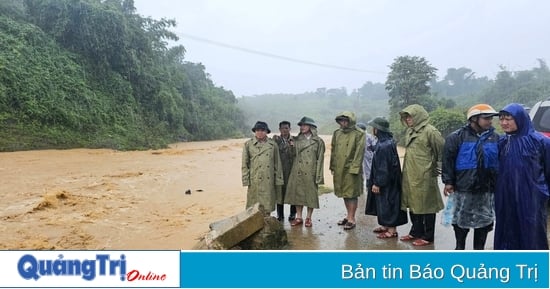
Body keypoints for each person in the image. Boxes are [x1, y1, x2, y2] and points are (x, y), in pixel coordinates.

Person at [442, 104, 499, 250]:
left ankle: (478, 251)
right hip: (464, 187)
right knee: (461, 219)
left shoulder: (495, 138)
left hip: (486, 189)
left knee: (484, 221)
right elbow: (448, 160)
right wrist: (448, 182)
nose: (490, 121)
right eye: (486, 118)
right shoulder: (456, 137)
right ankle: (459, 248)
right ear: (474, 119)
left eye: (491, 118)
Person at [494, 103, 550, 250]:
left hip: (532, 196)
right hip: (506, 195)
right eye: (501, 119)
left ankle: (534, 266)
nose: (504, 123)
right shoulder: (502, 142)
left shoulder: (541, 141)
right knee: (507, 229)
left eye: (508, 119)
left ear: (520, 119)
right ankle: (508, 266)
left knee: (532, 231)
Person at [399, 104, 445, 246]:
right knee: (413, 204)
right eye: (406, 117)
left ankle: (428, 236)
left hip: (425, 175)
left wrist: (438, 169)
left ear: (418, 116)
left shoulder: (431, 131)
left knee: (427, 205)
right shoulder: (410, 132)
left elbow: (442, 151)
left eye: (410, 116)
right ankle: (415, 232)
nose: (408, 119)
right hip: (410, 174)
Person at [365, 117, 408, 238]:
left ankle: (392, 230)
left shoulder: (384, 146)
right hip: (390, 180)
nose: (373, 130)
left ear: (378, 129)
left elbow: (383, 167)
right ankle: (385, 225)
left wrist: (377, 183)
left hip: (387, 182)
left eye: (374, 127)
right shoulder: (386, 142)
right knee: (383, 203)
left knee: (388, 203)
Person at [285, 117, 325, 227]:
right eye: (301, 125)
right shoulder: (296, 139)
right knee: (298, 194)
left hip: (311, 170)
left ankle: (309, 217)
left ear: (311, 127)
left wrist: (319, 175)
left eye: (304, 125)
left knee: (310, 195)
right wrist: (291, 147)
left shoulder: (318, 141)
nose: (302, 127)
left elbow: (320, 159)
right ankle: (299, 217)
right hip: (297, 170)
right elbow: (291, 155)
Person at [330, 111, 366, 230]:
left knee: (352, 194)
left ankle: (352, 219)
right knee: (344, 193)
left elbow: (359, 152)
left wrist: (354, 168)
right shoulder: (337, 133)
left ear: (351, 121)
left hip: (351, 169)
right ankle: (348, 215)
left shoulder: (359, 133)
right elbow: (333, 151)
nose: (343, 123)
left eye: (346, 120)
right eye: (341, 120)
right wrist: (332, 166)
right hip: (339, 167)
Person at [242, 121, 284, 214]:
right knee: (253, 207)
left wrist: (279, 180)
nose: (260, 132)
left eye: (262, 130)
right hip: (254, 179)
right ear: (254, 131)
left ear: (266, 132)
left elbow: (278, 164)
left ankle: (267, 223)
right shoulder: (248, 145)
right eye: (257, 130)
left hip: (268, 180)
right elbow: (245, 164)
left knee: (267, 205)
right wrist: (246, 180)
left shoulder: (273, 145)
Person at [272, 121, 297, 221]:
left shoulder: (295, 140)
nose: (284, 130)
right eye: (282, 128)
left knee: (293, 193)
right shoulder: (276, 140)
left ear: (290, 129)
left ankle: (292, 214)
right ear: (279, 130)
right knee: (279, 193)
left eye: (286, 128)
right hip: (279, 170)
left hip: (292, 170)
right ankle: (280, 215)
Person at [357, 122, 377, 191]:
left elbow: (375, 148)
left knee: (368, 175)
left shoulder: (370, 137)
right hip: (359, 161)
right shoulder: (356, 138)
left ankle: (368, 190)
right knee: (359, 176)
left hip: (368, 159)